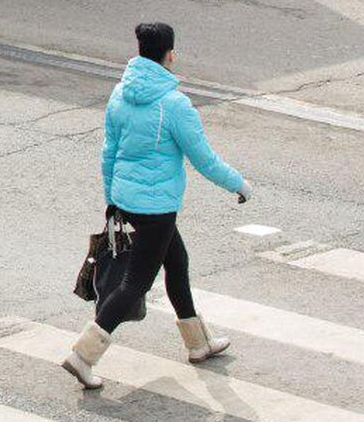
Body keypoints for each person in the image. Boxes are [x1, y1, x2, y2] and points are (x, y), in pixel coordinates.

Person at [63, 23, 252, 389]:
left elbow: (109, 152)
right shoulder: (174, 105)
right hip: (157, 208)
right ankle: (82, 355)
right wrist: (239, 184)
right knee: (135, 284)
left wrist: (111, 199)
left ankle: (198, 343)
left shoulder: (120, 94)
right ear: (171, 55)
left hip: (128, 199)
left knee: (177, 262)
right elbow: (204, 159)